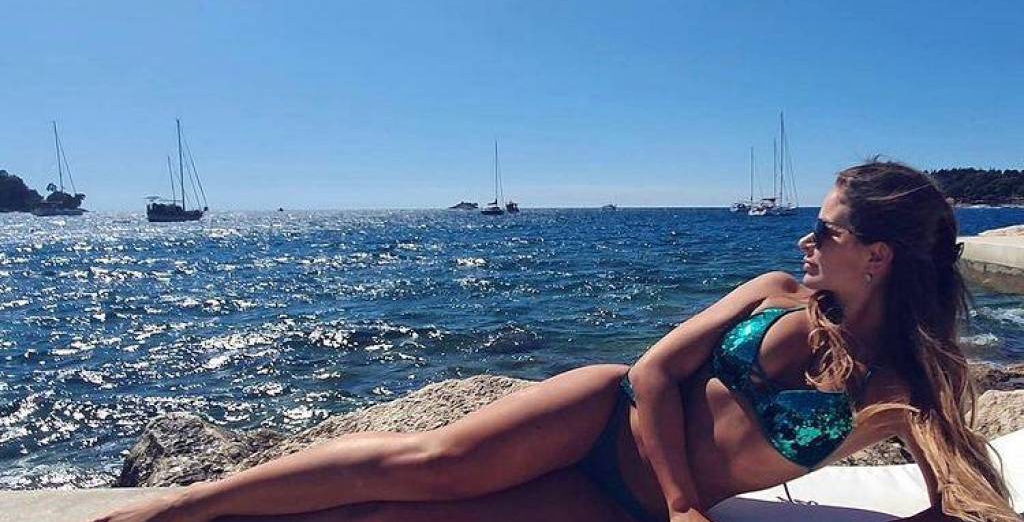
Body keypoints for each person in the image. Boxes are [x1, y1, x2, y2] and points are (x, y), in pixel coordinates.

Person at [92, 160, 1018, 522]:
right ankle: (176, 509)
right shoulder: (777, 293)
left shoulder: (902, 389)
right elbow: (653, 371)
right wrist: (684, 505)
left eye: (825, 230)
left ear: (878, 256)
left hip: (617, 506)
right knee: (426, 462)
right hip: (598, 418)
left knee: (402, 519)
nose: (805, 239)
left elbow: (961, 497)